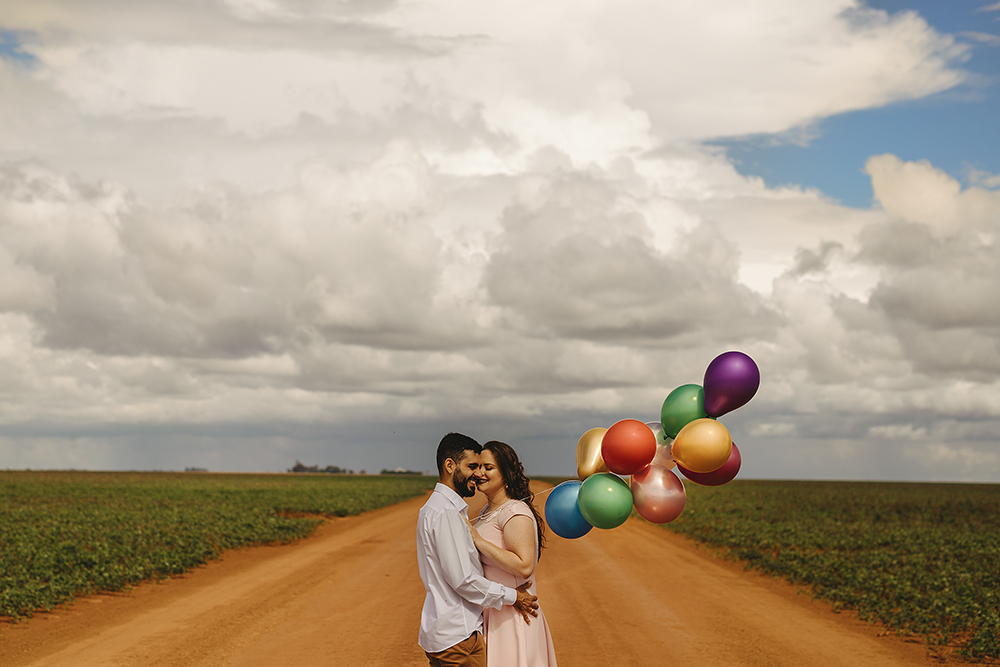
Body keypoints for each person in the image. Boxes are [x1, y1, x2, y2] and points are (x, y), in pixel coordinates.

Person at [417, 433, 539, 667]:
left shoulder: (432, 508)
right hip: (459, 634)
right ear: (450, 465)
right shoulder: (447, 513)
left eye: (483, 467)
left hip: (447, 631)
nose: (477, 473)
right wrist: (513, 596)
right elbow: (463, 580)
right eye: (472, 466)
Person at [468, 440, 558, 667]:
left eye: (488, 468)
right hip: (497, 610)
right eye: (478, 467)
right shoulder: (487, 511)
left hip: (515, 616)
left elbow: (524, 565)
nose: (479, 473)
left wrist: (477, 540)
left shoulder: (515, 511)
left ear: (506, 474)